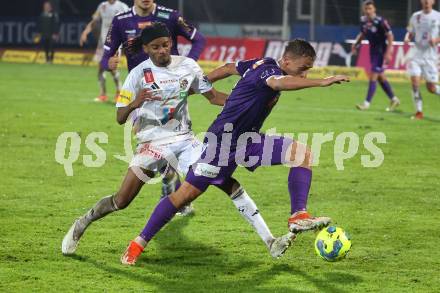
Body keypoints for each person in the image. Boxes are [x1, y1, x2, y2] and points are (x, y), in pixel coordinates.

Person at [62, 23, 293, 260]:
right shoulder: (137, 75)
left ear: (171, 43)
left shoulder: (188, 66)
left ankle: (270, 241)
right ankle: (83, 223)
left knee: (224, 180)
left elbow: (212, 97)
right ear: (145, 48)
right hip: (151, 144)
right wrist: (136, 102)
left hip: (184, 140)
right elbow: (120, 117)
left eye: (165, 45)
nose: (162, 50)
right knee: (122, 201)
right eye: (155, 47)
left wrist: (246, 103)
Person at [121, 39, 350, 265]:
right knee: (184, 196)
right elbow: (278, 82)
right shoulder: (269, 71)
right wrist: (322, 82)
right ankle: (137, 244)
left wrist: (199, 84)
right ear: (287, 61)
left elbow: (230, 68)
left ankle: (298, 215)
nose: (305, 75)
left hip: (247, 141)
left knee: (301, 153)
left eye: (308, 71)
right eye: (303, 69)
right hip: (221, 144)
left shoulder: (259, 62)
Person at [102, 0, 206, 212]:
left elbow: (199, 39)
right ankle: (173, 190)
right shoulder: (121, 21)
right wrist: (108, 63)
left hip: (172, 93)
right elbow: (107, 56)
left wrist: (187, 65)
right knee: (157, 145)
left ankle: (176, 195)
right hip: (142, 97)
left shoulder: (170, 16)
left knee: (171, 141)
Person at [352, 0, 400, 111]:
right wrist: (355, 44)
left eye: (370, 8)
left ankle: (366, 103)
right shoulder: (363, 21)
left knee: (373, 75)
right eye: (366, 9)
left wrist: (388, 52)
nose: (368, 11)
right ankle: (394, 99)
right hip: (372, 51)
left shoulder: (381, 21)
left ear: (374, 9)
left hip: (381, 51)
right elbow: (363, 34)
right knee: (380, 77)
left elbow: (390, 36)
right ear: (364, 10)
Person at [79, 0, 129, 103]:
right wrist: (85, 32)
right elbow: (94, 21)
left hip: (115, 43)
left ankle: (119, 92)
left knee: (112, 69)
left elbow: (130, 22)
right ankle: (103, 94)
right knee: (100, 68)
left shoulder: (122, 6)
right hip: (102, 43)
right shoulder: (102, 6)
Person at [405, 0, 440, 120]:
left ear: (433, 2)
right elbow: (410, 32)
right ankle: (419, 111)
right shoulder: (415, 16)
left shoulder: (438, 16)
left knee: (431, 88)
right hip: (416, 55)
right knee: (415, 83)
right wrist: (407, 38)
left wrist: (436, 40)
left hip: (430, 57)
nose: (426, 1)